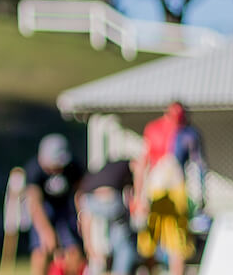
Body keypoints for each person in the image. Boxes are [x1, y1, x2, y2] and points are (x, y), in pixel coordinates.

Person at [132, 102, 205, 275]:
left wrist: (199, 196)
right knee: (149, 240)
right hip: (156, 189)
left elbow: (197, 166)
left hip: (176, 188)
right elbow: (143, 164)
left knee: (176, 243)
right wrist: (138, 197)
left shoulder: (187, 133)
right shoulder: (156, 130)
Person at [25, 134, 85, 275]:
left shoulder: (74, 167)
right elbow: (35, 205)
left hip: (67, 209)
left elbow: (80, 194)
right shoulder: (33, 170)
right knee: (41, 251)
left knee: (74, 253)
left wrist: (82, 219)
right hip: (43, 211)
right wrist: (46, 231)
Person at [76, 160, 136, 275]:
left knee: (98, 246)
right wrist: (138, 196)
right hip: (111, 200)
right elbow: (138, 168)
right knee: (124, 245)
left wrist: (88, 245)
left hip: (89, 201)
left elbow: (79, 199)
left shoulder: (97, 174)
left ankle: (95, 265)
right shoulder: (128, 163)